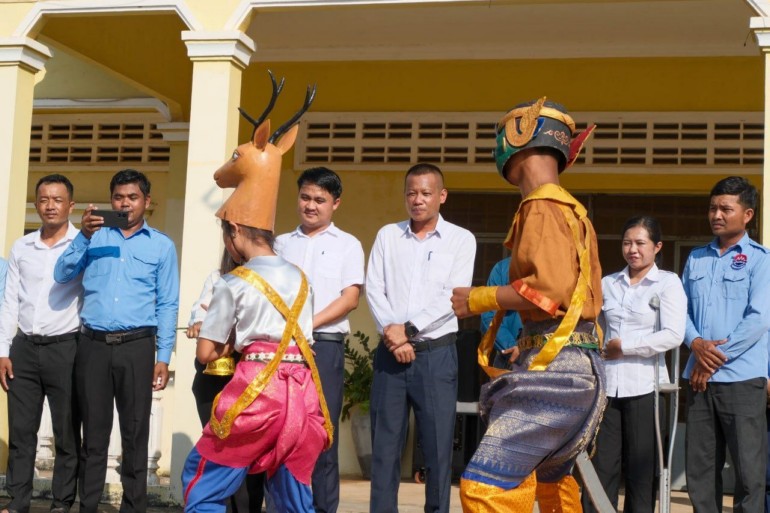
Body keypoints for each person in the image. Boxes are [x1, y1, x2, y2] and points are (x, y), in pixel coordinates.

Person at [450, 98, 605, 512]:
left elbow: (547, 292)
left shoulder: (540, 204)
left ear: (518, 137)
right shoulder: (571, 209)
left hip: (556, 370)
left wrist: (478, 298)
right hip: (577, 364)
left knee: (486, 486)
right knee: (552, 485)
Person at [181, 89, 332, 513]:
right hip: (302, 396)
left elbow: (206, 353)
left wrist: (226, 341)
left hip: (255, 394)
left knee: (203, 484)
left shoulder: (234, 282)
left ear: (233, 230)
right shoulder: (301, 279)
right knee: (292, 497)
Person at [54, 169, 180, 513]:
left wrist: (163, 356)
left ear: (146, 201)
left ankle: (133, 507)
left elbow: (168, 303)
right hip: (92, 346)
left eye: (133, 197)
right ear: (111, 200)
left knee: (135, 433)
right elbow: (62, 274)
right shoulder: (93, 237)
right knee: (93, 436)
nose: (125, 204)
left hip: (138, 346)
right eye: (119, 197)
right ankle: (88, 506)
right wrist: (82, 235)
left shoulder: (161, 246)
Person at [366, 162, 476, 513]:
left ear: (441, 196)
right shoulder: (387, 236)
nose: (418, 200)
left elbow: (453, 297)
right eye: (412, 193)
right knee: (384, 449)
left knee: (438, 450)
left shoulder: (461, 239)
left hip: (435, 357)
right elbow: (374, 288)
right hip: (390, 356)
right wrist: (394, 336)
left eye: (426, 193)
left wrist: (408, 330)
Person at [581, 216, 686, 513]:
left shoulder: (667, 283)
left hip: (645, 387)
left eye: (640, 243)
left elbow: (673, 334)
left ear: (657, 247)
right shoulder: (609, 283)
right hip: (608, 388)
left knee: (641, 472)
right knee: (602, 465)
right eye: (627, 243)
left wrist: (625, 347)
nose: (633, 250)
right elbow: (596, 329)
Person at [275, 166, 364, 513]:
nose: (310, 205)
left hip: (324, 346)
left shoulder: (348, 245)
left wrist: (306, 325)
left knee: (323, 433)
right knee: (282, 430)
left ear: (335, 203)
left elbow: (350, 298)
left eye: (320, 200)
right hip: (282, 347)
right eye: (305, 197)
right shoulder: (280, 244)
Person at [682, 176, 770, 513]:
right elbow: (681, 312)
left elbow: (758, 319)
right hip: (699, 382)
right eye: (712, 208)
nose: (716, 215)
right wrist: (695, 342)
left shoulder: (761, 260)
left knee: (749, 472)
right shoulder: (696, 258)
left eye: (725, 209)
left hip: (742, 379)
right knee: (701, 471)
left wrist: (712, 358)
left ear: (747, 215)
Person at [0, 174, 82, 513]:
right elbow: (10, 302)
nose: (50, 206)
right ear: (36, 204)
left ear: (70, 206)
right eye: (44, 199)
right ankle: (18, 501)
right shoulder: (22, 247)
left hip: (67, 348)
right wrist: (3, 350)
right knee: (21, 432)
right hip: (23, 350)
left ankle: (62, 503)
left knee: (66, 433)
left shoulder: (81, 245)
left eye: (57, 200)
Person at [186, 249, 265, 513]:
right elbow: (199, 313)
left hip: (252, 373)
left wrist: (224, 323)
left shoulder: (266, 282)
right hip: (214, 376)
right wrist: (202, 323)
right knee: (219, 452)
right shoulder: (217, 278)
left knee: (249, 455)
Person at [479, 256, 522, 370]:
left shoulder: (557, 268)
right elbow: (489, 314)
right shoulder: (503, 268)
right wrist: (510, 346)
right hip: (509, 358)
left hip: (550, 354)